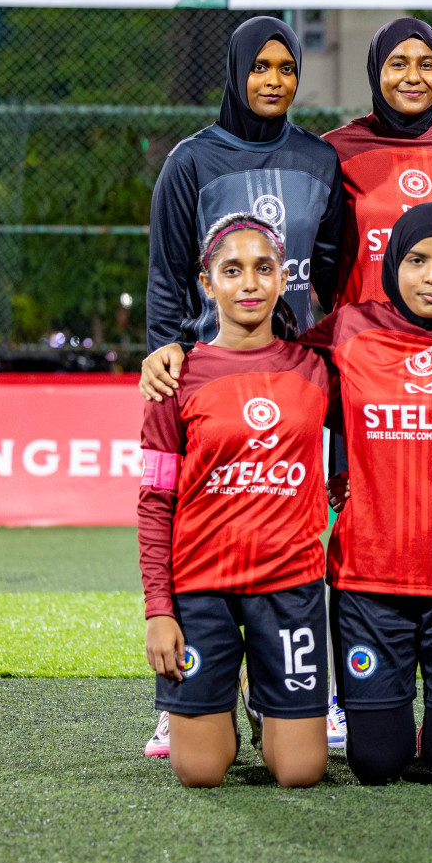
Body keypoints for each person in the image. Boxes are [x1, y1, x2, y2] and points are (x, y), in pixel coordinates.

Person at [139, 17, 345, 757]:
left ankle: (286, 690)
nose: (273, 80)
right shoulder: (190, 161)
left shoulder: (320, 159)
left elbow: (332, 271)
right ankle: (189, 699)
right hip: (210, 371)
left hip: (287, 371)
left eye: (286, 67)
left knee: (285, 533)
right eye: (259, 67)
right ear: (234, 73)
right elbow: (167, 272)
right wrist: (164, 350)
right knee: (196, 518)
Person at [299, 204, 432, 786]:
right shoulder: (348, 329)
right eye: (417, 261)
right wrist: (176, 351)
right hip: (370, 582)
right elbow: (274, 364)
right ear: (392, 264)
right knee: (376, 762)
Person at [138, 213, 331, 788]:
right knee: (200, 771)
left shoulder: (319, 367)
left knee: (299, 772)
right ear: (207, 283)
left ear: (281, 278)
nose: (248, 283)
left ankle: (260, 695)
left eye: (263, 268)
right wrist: (158, 610)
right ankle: (219, 697)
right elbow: (154, 499)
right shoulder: (174, 377)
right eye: (232, 270)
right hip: (201, 585)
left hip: (290, 584)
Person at [323, 18, 432, 310]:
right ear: (376, 71)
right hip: (368, 334)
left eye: (426, 65)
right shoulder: (337, 150)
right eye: (398, 64)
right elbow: (321, 249)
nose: (413, 76)